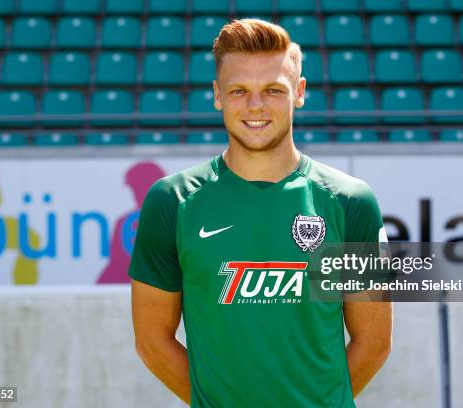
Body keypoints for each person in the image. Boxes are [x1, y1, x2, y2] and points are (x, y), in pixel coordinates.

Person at [129, 18, 392, 407]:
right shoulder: (171, 201)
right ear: (217, 94)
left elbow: (374, 343)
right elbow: (152, 342)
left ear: (299, 93)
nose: (255, 105)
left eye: (273, 90)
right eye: (239, 91)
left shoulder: (352, 201)